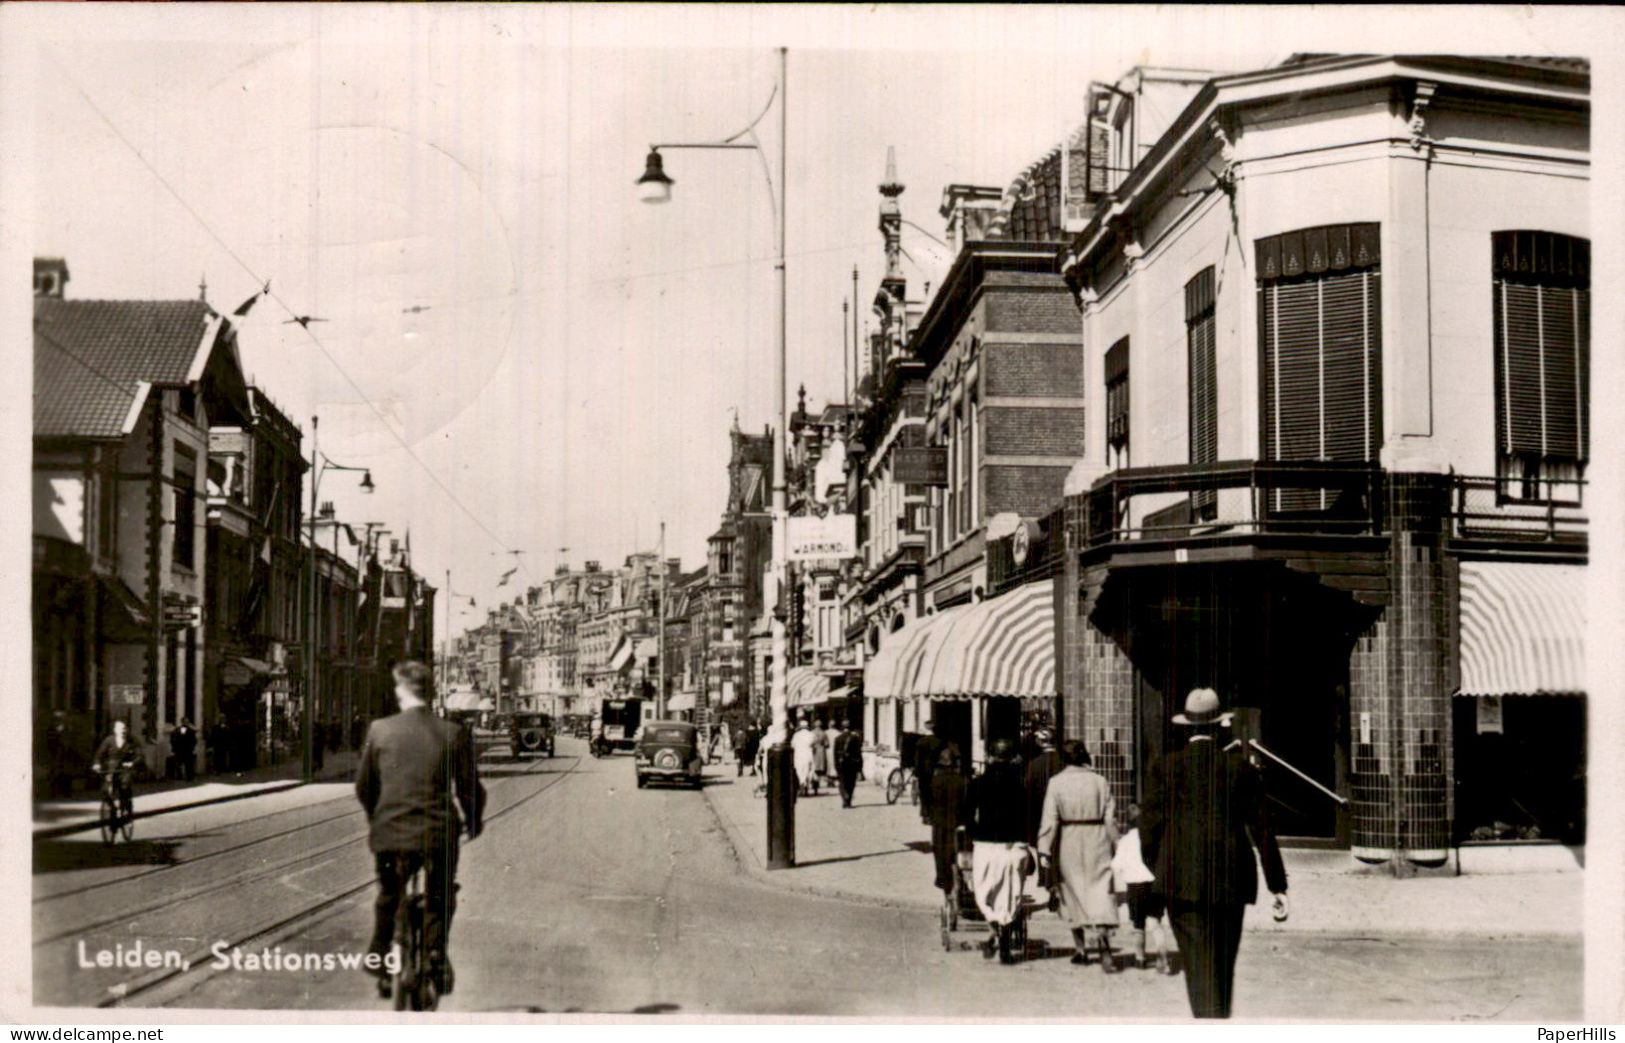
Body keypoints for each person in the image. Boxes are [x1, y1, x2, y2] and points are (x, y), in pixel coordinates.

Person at [1141, 688, 1289, 1019]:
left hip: (1181, 882)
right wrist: (1277, 885)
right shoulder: (1242, 770)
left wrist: (1162, 866)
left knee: (1198, 967)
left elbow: (1148, 831)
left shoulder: (1165, 768)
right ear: (1220, 726)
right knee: (1223, 968)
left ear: (1185, 727)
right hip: (1231, 881)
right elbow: (1263, 830)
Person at [355, 661, 485, 997]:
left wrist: (378, 819)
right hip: (437, 833)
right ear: (430, 691)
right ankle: (435, 954)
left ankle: (379, 952)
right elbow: (470, 788)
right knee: (440, 894)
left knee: (388, 893)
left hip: (389, 833)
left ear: (401, 691)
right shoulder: (452, 733)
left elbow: (364, 787)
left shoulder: (379, 730)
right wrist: (473, 822)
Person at [1038, 740, 1120, 973]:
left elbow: (1050, 819)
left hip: (1069, 839)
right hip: (1097, 839)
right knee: (1100, 891)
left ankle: (1081, 949)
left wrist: (1044, 848)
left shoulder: (1056, 783)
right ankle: (1105, 946)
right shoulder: (1100, 781)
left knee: (1072, 892)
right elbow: (1110, 818)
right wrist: (1118, 843)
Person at [969, 738, 1034, 964]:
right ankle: (1004, 940)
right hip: (1014, 845)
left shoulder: (978, 783)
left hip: (986, 844)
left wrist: (970, 836)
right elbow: (1029, 816)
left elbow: (968, 816)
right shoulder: (1020, 784)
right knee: (1010, 895)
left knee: (984, 892)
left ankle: (995, 933)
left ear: (990, 756)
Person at [1112, 801, 1173, 973]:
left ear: (1127, 822)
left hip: (1135, 886)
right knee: (1155, 921)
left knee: (1138, 925)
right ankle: (1163, 956)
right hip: (1154, 884)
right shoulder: (1153, 839)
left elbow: (1116, 865)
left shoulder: (1124, 841)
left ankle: (1140, 958)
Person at [925, 747, 970, 901]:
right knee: (958, 850)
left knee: (939, 850)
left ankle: (942, 878)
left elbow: (930, 802)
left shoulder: (936, 780)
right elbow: (966, 802)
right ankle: (959, 878)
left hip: (940, 822)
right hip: (958, 821)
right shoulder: (962, 780)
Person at [92, 719, 142, 820]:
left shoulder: (132, 741)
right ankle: (113, 809)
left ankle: (126, 809)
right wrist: (97, 764)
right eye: (120, 728)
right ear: (115, 730)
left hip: (125, 770)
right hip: (112, 769)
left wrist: (132, 763)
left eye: (124, 728)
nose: (122, 731)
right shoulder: (109, 740)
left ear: (127, 729)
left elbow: (139, 755)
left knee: (124, 786)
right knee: (106, 791)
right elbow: (99, 754)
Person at [1023, 729, 1063, 847]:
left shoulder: (1034, 764)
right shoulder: (1062, 762)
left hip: (1040, 807)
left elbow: (1028, 787)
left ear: (1040, 742)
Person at [912, 725, 944, 826]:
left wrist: (916, 772)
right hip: (936, 772)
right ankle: (934, 815)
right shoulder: (939, 742)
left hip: (923, 772)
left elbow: (917, 760)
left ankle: (925, 816)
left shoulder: (920, 742)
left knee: (924, 794)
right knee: (934, 793)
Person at [833, 720, 864, 808]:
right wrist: (860, 767)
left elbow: (835, 754)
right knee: (851, 782)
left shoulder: (838, 738)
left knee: (842, 782)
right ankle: (849, 800)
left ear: (842, 727)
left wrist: (836, 765)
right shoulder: (855, 738)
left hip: (841, 763)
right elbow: (858, 753)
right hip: (852, 763)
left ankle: (844, 798)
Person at [790, 720, 817, 795]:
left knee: (799, 771)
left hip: (798, 755)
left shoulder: (796, 735)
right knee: (809, 770)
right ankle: (806, 786)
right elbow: (814, 745)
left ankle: (802, 783)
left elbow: (792, 745)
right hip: (808, 754)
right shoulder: (811, 734)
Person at [171, 717, 198, 782]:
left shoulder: (191, 731)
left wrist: (192, 747)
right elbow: (173, 739)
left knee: (189, 764)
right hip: (179, 749)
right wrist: (174, 748)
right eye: (185, 722)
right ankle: (179, 776)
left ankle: (189, 777)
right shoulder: (177, 730)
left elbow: (194, 740)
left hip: (188, 749)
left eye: (187, 722)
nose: (186, 723)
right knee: (178, 764)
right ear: (182, 722)